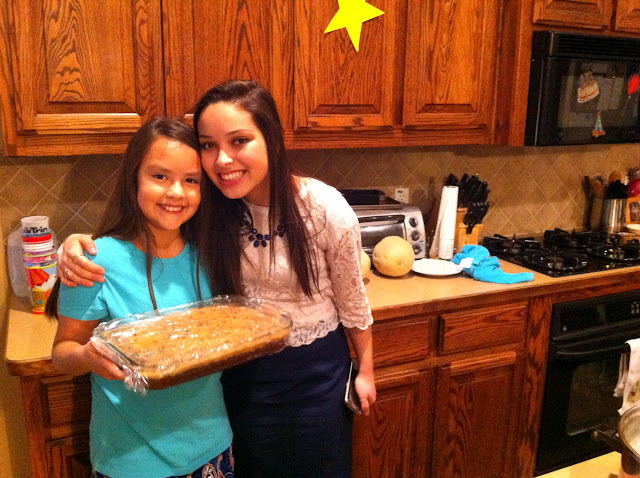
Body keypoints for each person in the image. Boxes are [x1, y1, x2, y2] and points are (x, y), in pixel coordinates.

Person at [58, 80, 376, 478]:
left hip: (313, 378)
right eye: (208, 145)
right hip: (237, 382)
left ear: (272, 139)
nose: (223, 160)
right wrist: (72, 244)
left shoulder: (323, 210)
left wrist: (366, 370)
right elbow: (145, 235)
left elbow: (353, 301)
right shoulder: (217, 210)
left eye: (239, 140)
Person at [46, 118, 234, 478]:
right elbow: (62, 352)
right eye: (160, 176)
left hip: (212, 447)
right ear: (134, 178)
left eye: (191, 180)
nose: (176, 192)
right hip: (131, 459)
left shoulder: (211, 254)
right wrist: (87, 356)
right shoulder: (94, 261)